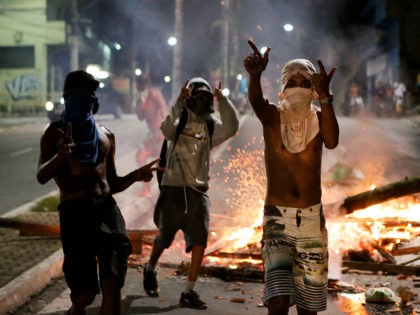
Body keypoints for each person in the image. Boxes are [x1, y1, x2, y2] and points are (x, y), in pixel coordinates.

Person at [36, 70, 160, 315]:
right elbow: (41, 175)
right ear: (68, 99)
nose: (87, 101)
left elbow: (110, 183)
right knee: (84, 295)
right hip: (75, 215)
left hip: (107, 213)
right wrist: (61, 155)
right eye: (80, 95)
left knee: (112, 286)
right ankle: (75, 309)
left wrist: (135, 176)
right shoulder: (54, 133)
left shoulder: (106, 135)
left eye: (91, 95)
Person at [243, 40, 339, 315]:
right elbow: (256, 102)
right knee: (278, 300)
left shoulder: (321, 118)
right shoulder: (273, 116)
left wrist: (325, 96)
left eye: (305, 82)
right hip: (277, 220)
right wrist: (255, 76)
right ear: (283, 88)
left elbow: (332, 142)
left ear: (314, 89)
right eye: (292, 81)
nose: (298, 87)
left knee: (309, 307)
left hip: (311, 220)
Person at [143, 77, 239, 309]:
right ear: (189, 97)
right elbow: (165, 129)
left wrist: (223, 99)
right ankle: (150, 268)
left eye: (206, 96)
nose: (202, 99)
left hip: (198, 192)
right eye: (197, 95)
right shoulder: (179, 121)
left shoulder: (210, 126)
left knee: (200, 240)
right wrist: (178, 103)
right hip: (174, 190)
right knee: (164, 238)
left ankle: (189, 291)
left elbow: (233, 127)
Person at [135, 73, 169, 197]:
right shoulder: (142, 99)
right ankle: (147, 189)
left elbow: (164, 110)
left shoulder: (154, 93)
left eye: (138, 85)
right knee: (141, 156)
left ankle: (152, 189)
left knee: (163, 162)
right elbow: (140, 117)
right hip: (153, 134)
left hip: (161, 133)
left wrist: (164, 131)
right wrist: (141, 104)